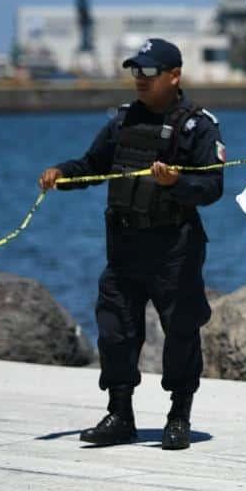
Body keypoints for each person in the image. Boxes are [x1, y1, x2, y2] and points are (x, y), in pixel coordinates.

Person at [39, 37, 225, 451]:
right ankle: (120, 414)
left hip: (174, 247)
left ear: (174, 76)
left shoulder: (198, 125)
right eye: (135, 71)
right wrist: (61, 174)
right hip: (124, 246)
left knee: (180, 330)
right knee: (115, 330)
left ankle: (178, 415)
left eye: (148, 72)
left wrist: (176, 183)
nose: (139, 80)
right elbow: (92, 166)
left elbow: (213, 187)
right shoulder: (122, 121)